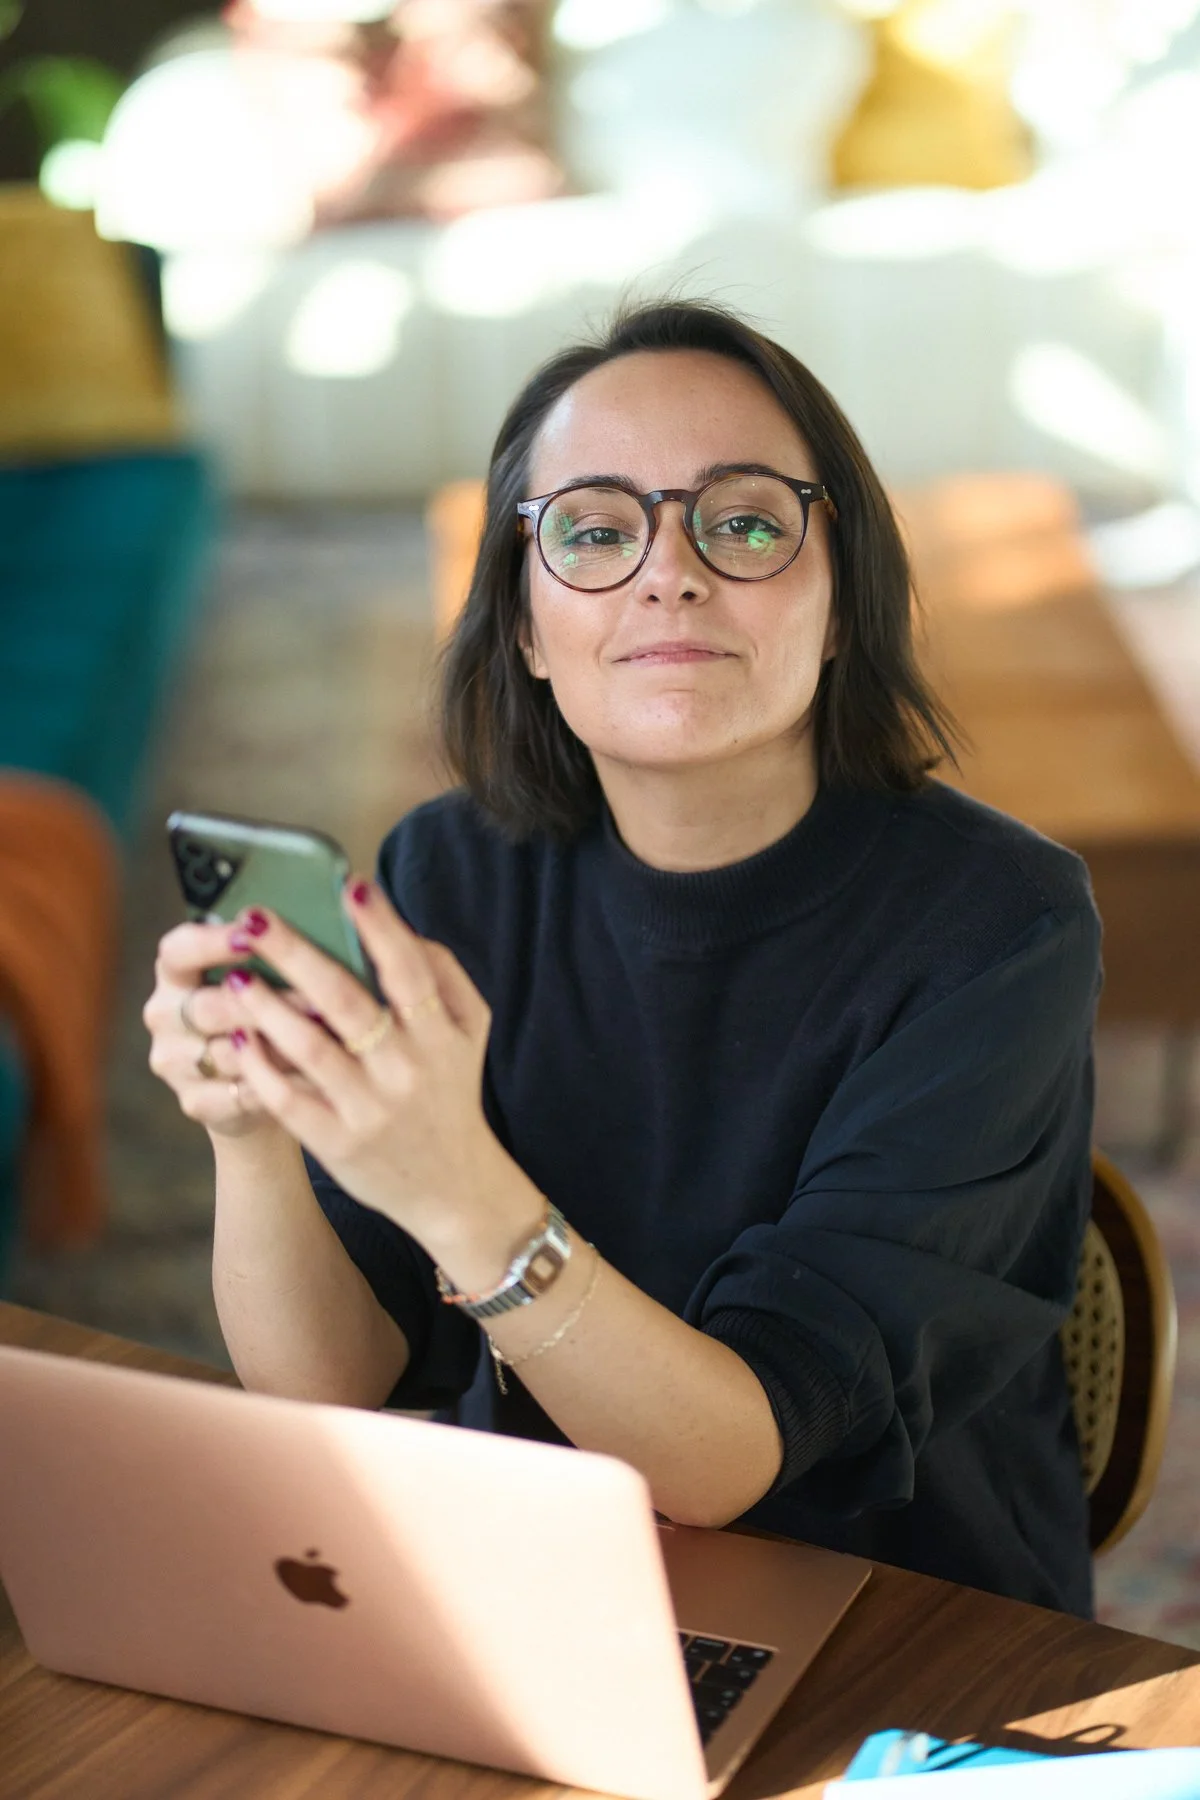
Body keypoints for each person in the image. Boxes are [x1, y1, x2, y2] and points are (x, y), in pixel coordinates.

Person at [144, 299, 1100, 1616]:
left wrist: (459, 1190)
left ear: (841, 607)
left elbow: (728, 1461)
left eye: (748, 523)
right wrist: (252, 1131)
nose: (671, 571)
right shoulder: (449, 873)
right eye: (596, 530)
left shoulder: (1003, 927)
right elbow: (337, 1382)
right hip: (545, 1596)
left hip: (895, 1632)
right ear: (529, 629)